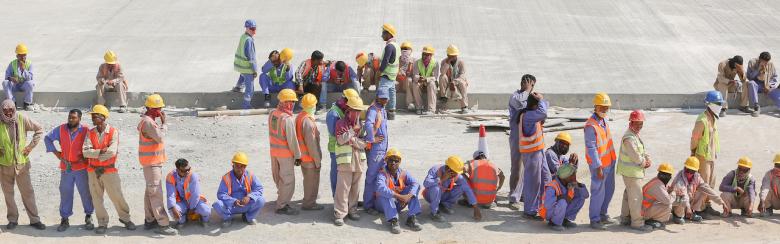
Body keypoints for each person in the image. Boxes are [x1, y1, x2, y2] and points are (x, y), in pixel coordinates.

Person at [83, 104, 136, 234]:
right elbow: (85, 152)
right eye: (93, 116)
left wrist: (95, 154)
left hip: (109, 170)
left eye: (95, 116)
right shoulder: (90, 133)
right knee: (96, 198)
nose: (93, 118)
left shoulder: (113, 132)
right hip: (93, 171)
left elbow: (112, 152)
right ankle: (102, 222)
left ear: (103, 117)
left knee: (117, 196)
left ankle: (125, 218)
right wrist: (101, 151)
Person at [44, 109, 94, 232]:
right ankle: (64, 219)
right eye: (69, 117)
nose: (70, 120)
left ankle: (89, 216)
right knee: (66, 193)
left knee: (85, 193)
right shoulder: (61, 129)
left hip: (82, 168)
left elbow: (93, 145)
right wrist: (57, 153)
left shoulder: (86, 130)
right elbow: (47, 138)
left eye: (74, 118)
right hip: (66, 168)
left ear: (80, 118)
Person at [0, 99, 44, 230]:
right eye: (5, 110)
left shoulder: (21, 118)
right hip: (4, 166)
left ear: (14, 109)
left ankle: (34, 220)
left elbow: (39, 129)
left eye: (11, 110)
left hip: (21, 164)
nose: (8, 113)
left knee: (27, 193)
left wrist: (30, 147)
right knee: (8, 194)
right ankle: (12, 219)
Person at [137, 94, 176, 235]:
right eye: (158, 109)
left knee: (150, 192)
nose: (160, 111)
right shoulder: (149, 122)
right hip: (152, 164)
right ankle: (163, 223)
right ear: (151, 109)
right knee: (156, 194)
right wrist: (164, 124)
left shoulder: (148, 120)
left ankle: (150, 219)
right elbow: (160, 138)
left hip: (151, 163)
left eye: (160, 108)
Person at [333, 96, 369, 226]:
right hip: (345, 162)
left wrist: (353, 140)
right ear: (349, 110)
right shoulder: (340, 123)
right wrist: (353, 131)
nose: (358, 114)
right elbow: (341, 140)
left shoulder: (362, 126)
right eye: (355, 111)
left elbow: (364, 143)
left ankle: (352, 210)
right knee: (343, 188)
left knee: (356, 187)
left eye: (359, 111)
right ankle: (340, 213)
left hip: (359, 161)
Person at [584, 92, 617, 230]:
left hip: (609, 162)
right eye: (601, 107)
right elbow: (591, 148)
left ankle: (603, 214)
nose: (604, 110)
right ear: (595, 107)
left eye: (606, 107)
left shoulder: (603, 121)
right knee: (598, 191)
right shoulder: (591, 126)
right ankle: (595, 219)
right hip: (599, 165)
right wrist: (598, 166)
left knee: (609, 189)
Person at [617, 110, 653, 231]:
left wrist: (648, 158)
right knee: (636, 197)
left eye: (641, 123)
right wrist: (644, 163)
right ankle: (637, 223)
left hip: (631, 172)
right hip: (631, 173)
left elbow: (641, 150)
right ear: (631, 122)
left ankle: (625, 218)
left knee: (629, 194)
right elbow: (635, 156)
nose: (639, 126)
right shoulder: (629, 138)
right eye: (637, 123)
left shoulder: (634, 134)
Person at [268, 89, 302, 215]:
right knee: (288, 180)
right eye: (291, 102)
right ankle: (282, 206)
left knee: (278, 178)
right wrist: (298, 156)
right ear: (286, 102)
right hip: (285, 155)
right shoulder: (287, 119)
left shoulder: (272, 114)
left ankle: (281, 198)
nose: (293, 104)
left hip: (274, 152)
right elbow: (292, 140)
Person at [690, 90, 724, 218]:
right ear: (710, 104)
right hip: (702, 157)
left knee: (711, 183)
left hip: (711, 156)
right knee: (703, 184)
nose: (720, 106)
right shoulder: (702, 120)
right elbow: (695, 138)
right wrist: (693, 153)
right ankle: (698, 209)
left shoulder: (713, 118)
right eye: (718, 103)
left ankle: (706, 205)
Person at [374, 148, 422, 234]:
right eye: (391, 160)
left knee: (413, 190)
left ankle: (411, 218)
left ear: (399, 162)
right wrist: (400, 197)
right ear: (386, 161)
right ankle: (394, 220)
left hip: (398, 203)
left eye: (396, 161)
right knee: (384, 194)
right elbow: (380, 188)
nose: (393, 163)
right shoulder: (382, 173)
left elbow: (416, 184)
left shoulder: (404, 173)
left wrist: (408, 196)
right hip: (382, 205)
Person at [422, 156, 482, 223]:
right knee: (436, 188)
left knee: (462, 187)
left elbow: (466, 188)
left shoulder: (456, 174)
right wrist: (441, 179)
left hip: (443, 195)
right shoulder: (436, 169)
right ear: (448, 168)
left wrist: (476, 208)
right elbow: (426, 183)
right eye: (455, 172)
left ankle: (444, 205)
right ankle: (434, 213)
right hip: (430, 195)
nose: (456, 174)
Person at [213, 152, 265, 228]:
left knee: (261, 200)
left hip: (246, 204)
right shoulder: (226, 177)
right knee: (217, 204)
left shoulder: (250, 175)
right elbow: (221, 194)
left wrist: (249, 197)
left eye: (242, 166)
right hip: (231, 206)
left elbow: (259, 188)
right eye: (237, 165)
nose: (239, 168)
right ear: (233, 165)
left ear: (245, 167)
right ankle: (228, 218)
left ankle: (248, 217)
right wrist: (233, 201)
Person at [507, 74, 536, 209]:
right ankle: (513, 195)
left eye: (528, 82)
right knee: (517, 166)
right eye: (523, 82)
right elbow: (519, 105)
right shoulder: (515, 96)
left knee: (528, 166)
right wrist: (526, 91)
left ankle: (523, 193)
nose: (525, 84)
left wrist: (530, 92)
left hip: (529, 136)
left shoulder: (534, 96)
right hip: (516, 136)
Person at [518, 92, 549, 219]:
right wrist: (540, 99)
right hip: (531, 153)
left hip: (539, 151)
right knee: (533, 182)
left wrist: (540, 99)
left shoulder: (533, 113)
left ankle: (544, 206)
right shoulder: (529, 116)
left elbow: (545, 109)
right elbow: (543, 113)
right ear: (535, 105)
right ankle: (530, 210)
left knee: (546, 178)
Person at [669, 157, 726, 224]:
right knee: (681, 197)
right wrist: (688, 207)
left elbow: (707, 189)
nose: (689, 174)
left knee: (703, 191)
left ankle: (695, 212)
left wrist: (722, 202)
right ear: (685, 168)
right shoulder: (680, 178)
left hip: (688, 200)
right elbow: (684, 195)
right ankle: (677, 216)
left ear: (696, 171)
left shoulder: (697, 177)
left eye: (692, 171)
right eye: (688, 170)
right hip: (679, 200)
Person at [325, 89, 360, 196]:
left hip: (346, 147)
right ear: (345, 100)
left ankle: (347, 200)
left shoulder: (344, 109)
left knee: (347, 176)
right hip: (336, 149)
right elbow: (334, 133)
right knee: (337, 174)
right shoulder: (333, 113)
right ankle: (337, 198)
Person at [295, 94, 324, 210]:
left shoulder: (299, 117)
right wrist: (317, 161)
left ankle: (308, 198)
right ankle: (309, 203)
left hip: (302, 157)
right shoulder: (308, 122)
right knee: (312, 182)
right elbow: (312, 145)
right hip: (310, 159)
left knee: (307, 181)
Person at [539, 164, 588, 231]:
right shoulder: (552, 186)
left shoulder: (569, 183)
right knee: (562, 201)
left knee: (580, 198)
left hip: (561, 208)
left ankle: (564, 219)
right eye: (572, 175)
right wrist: (560, 197)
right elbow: (547, 205)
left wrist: (578, 185)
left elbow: (585, 195)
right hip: (548, 212)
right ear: (565, 177)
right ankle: (554, 223)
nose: (574, 177)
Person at [363, 88, 389, 214]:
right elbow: (368, 124)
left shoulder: (381, 109)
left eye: (386, 98)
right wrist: (372, 139)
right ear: (377, 97)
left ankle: (373, 202)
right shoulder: (374, 109)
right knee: (371, 177)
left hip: (382, 149)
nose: (385, 100)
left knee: (379, 176)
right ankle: (368, 205)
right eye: (383, 98)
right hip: (376, 150)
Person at [165, 158, 211, 229]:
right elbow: (170, 194)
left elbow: (196, 195)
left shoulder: (193, 176)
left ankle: (204, 220)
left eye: (188, 169)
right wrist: (173, 208)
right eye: (184, 170)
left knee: (205, 210)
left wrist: (191, 209)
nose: (187, 172)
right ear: (177, 170)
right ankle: (182, 221)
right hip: (181, 202)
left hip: (194, 201)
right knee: (172, 210)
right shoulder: (170, 176)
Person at [232, 19, 259, 109]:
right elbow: (251, 58)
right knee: (250, 89)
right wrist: (254, 70)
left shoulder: (243, 36)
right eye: (252, 29)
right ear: (247, 28)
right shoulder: (249, 40)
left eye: (255, 29)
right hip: (247, 68)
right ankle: (246, 105)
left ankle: (238, 87)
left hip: (241, 66)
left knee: (242, 75)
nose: (254, 31)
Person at [641, 163, 674, 230]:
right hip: (643, 212)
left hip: (643, 208)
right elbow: (668, 201)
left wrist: (669, 191)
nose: (664, 176)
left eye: (666, 175)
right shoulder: (658, 185)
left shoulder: (656, 180)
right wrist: (674, 193)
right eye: (663, 174)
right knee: (668, 206)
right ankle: (651, 220)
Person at [439, 44, 470, 114]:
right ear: (448, 55)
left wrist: (454, 82)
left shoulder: (461, 63)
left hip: (458, 82)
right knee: (442, 77)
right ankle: (443, 98)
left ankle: (464, 107)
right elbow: (442, 72)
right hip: (448, 82)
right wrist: (447, 63)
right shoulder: (444, 62)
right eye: (450, 56)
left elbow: (462, 75)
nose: (452, 57)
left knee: (463, 83)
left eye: (454, 56)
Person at [378, 23, 400, 120]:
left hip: (387, 74)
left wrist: (380, 71)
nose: (382, 35)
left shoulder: (389, 46)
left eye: (383, 33)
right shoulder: (396, 45)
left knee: (382, 92)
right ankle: (392, 112)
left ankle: (379, 113)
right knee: (392, 92)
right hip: (393, 75)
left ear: (389, 34)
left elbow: (385, 61)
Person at [4, 44, 35, 111]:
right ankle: (12, 103)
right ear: (17, 56)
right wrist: (11, 78)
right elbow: (7, 76)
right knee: (5, 82)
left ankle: (27, 103)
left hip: (24, 85)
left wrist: (24, 69)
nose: (22, 57)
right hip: (15, 85)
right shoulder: (12, 64)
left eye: (24, 55)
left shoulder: (29, 64)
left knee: (30, 83)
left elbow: (30, 77)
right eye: (20, 55)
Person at [410, 46, 439, 115]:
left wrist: (426, 79)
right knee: (415, 84)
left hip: (430, 82)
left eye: (427, 54)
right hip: (421, 82)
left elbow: (435, 77)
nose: (424, 56)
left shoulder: (435, 63)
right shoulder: (417, 62)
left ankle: (431, 110)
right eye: (423, 54)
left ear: (431, 55)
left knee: (432, 84)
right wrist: (419, 78)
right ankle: (419, 107)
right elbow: (415, 75)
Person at [397, 41, 416, 111]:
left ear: (410, 51)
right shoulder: (397, 60)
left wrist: (409, 72)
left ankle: (410, 103)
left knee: (409, 79)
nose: (405, 51)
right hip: (398, 84)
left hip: (407, 85)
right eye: (403, 49)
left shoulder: (414, 61)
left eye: (407, 49)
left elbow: (416, 75)